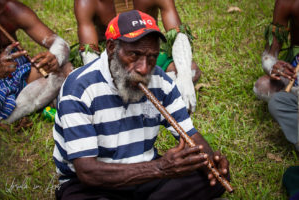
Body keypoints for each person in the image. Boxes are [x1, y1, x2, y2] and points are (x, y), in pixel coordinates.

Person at [53, 10, 229, 200]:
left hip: (145, 175)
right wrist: (160, 168)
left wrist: (209, 160)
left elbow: (190, 135)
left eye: (152, 57)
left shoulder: (160, 81)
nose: (144, 69)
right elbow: (87, 172)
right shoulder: (79, 87)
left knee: (214, 179)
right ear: (111, 48)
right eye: (134, 55)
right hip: (94, 185)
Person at [74, 0, 201, 113]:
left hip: (146, 56)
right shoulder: (87, 2)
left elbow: (177, 33)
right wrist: (100, 86)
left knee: (191, 70)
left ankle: (144, 87)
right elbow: (89, 51)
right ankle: (148, 88)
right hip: (114, 60)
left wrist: (184, 76)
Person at [0, 0, 72, 123]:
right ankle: (8, 119)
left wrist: (55, 57)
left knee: (64, 69)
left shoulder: (8, 9)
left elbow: (59, 43)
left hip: (18, 76)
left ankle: (14, 113)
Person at [253, 0, 299, 102]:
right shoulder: (287, 2)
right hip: (296, 69)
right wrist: (274, 68)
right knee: (262, 86)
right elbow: (269, 54)